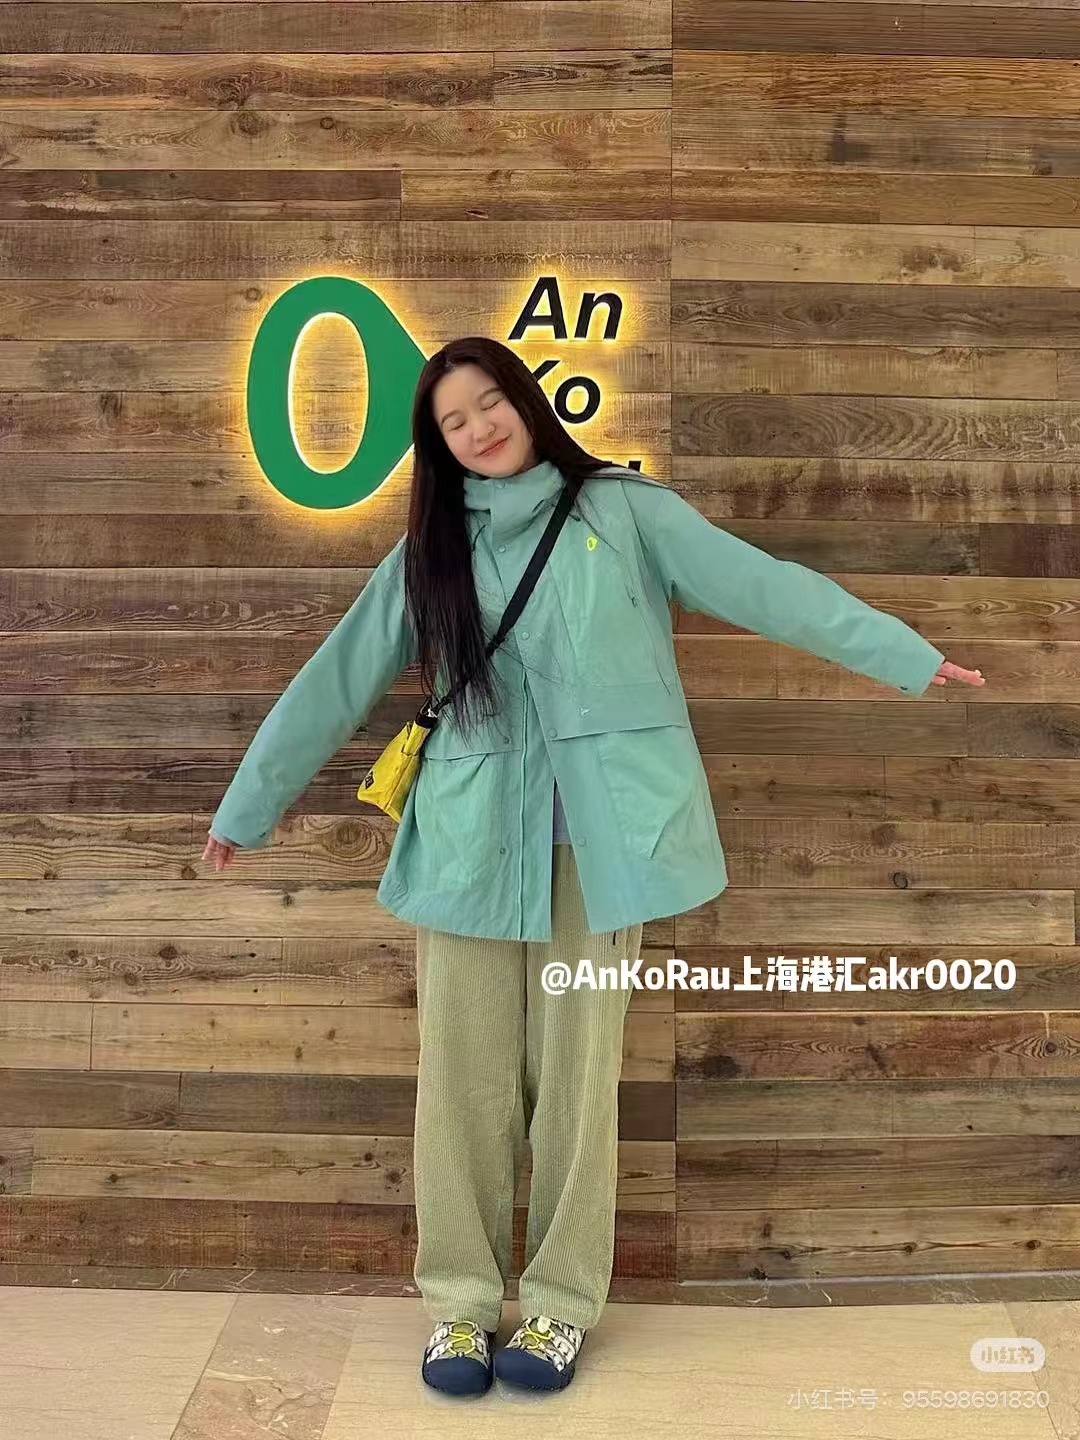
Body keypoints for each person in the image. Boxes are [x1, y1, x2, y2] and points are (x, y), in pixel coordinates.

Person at [202, 336, 986, 1398]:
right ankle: (460, 1306)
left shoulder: (623, 512)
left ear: (525, 402)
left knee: (579, 1085)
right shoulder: (429, 552)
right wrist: (246, 810)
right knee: (461, 1083)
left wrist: (905, 655)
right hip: (471, 848)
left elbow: (767, 589)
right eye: (453, 421)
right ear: (437, 445)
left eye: (489, 403)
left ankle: (560, 1306)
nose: (479, 428)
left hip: (605, 848)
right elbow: (336, 679)